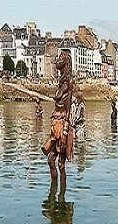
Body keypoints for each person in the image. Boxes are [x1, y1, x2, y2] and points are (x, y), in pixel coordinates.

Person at [41, 49, 74, 202]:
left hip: (62, 126)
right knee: (50, 160)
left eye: (61, 58)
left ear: (67, 61)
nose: (58, 60)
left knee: (61, 164)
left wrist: (65, 133)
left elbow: (68, 109)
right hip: (55, 125)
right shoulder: (61, 81)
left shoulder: (69, 82)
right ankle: (53, 192)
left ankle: (61, 197)